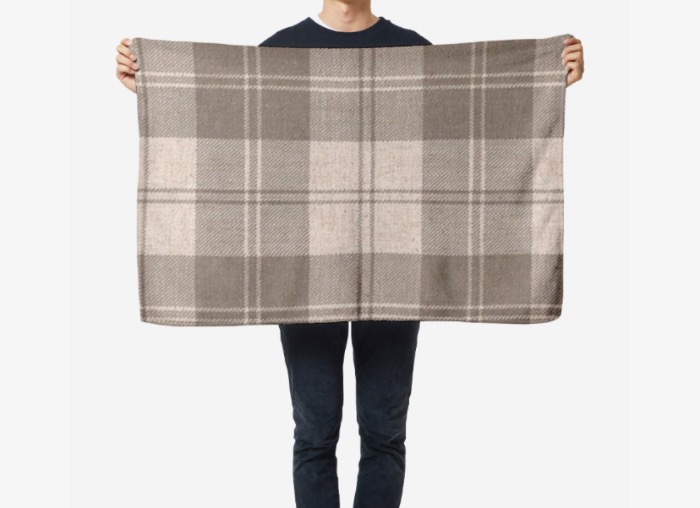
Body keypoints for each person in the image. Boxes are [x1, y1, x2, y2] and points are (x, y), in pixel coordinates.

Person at [115, 3, 584, 507]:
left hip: (397, 266)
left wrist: (546, 80)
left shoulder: (412, 50)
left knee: (384, 431)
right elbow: (228, 122)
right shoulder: (280, 51)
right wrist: (156, 85)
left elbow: (470, 122)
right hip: (303, 267)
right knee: (314, 431)